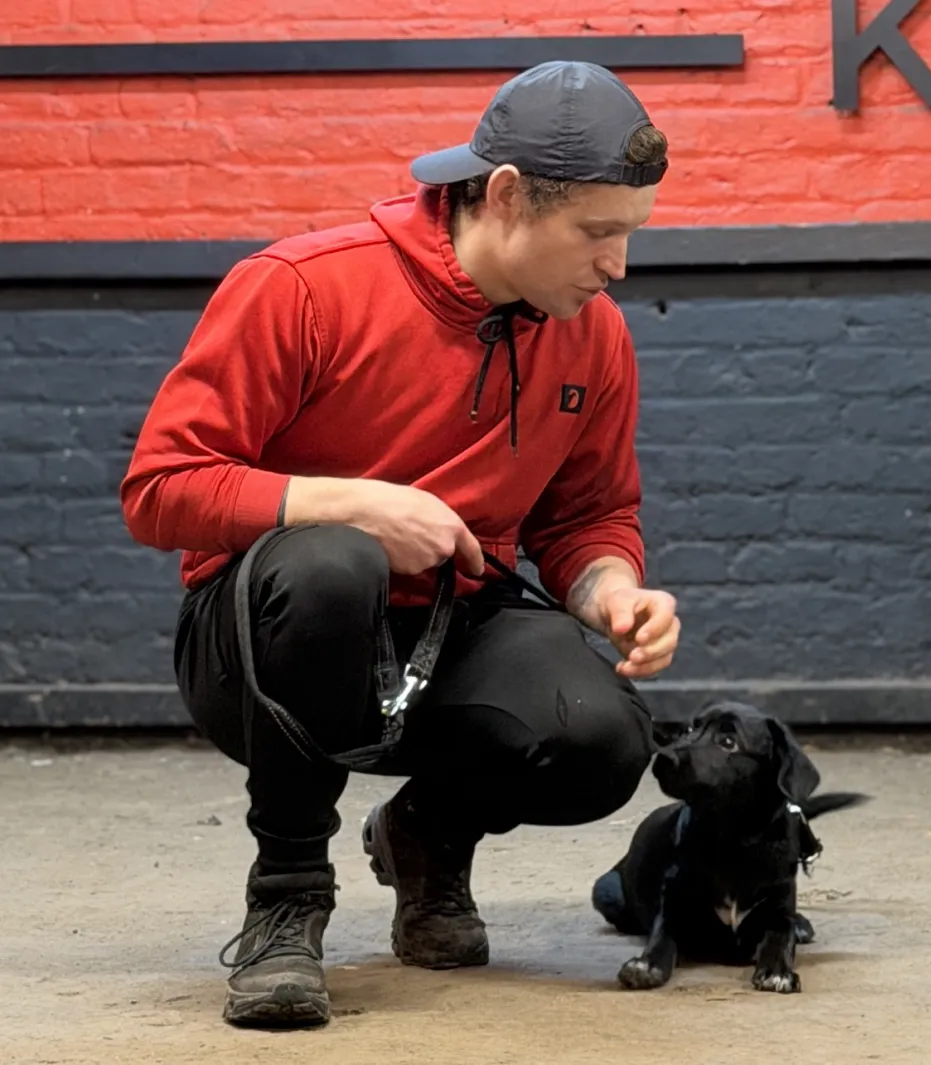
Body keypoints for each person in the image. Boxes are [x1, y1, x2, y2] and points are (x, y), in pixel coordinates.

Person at [119, 59, 681, 1029]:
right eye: (597, 233)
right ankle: (287, 898)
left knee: (601, 736)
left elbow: (586, 517)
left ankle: (425, 835)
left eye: (627, 235)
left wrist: (611, 589)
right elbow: (160, 492)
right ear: (506, 196)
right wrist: (352, 504)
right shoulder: (300, 288)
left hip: (449, 627)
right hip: (267, 638)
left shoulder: (590, 334)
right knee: (338, 561)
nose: (617, 265)